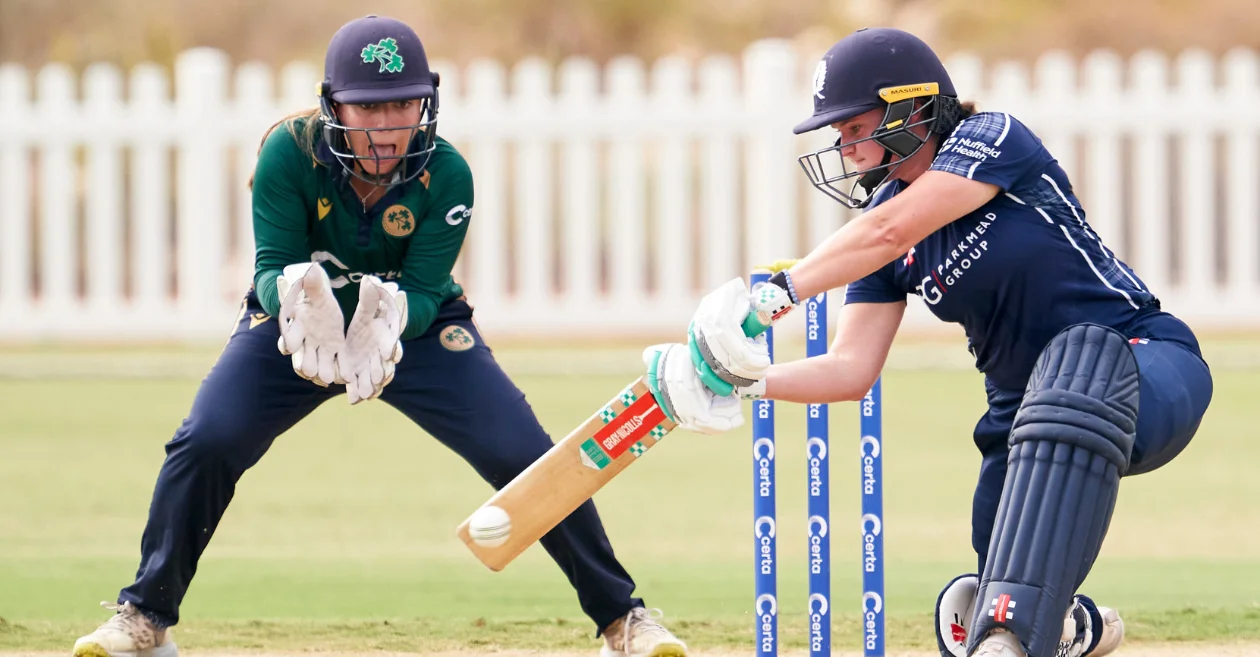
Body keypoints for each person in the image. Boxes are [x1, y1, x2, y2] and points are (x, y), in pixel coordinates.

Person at [71, 15, 687, 657]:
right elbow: (271, 263)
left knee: (525, 454)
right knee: (207, 441)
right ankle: (144, 618)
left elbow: (424, 289)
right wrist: (295, 300)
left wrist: (393, 320)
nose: (388, 124)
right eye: (368, 107)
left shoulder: (448, 176)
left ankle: (623, 620)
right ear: (333, 105)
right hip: (296, 328)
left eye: (402, 103)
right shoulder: (289, 151)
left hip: (412, 329)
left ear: (427, 101)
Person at [643, 27, 1213, 657]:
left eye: (855, 127)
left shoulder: (991, 140)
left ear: (913, 106)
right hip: (1020, 421)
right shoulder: (879, 229)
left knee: (1076, 377)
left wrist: (771, 297)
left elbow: (888, 231)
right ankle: (1079, 628)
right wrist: (744, 381)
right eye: (839, 133)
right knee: (1000, 595)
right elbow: (849, 369)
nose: (845, 146)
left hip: (1143, 363)